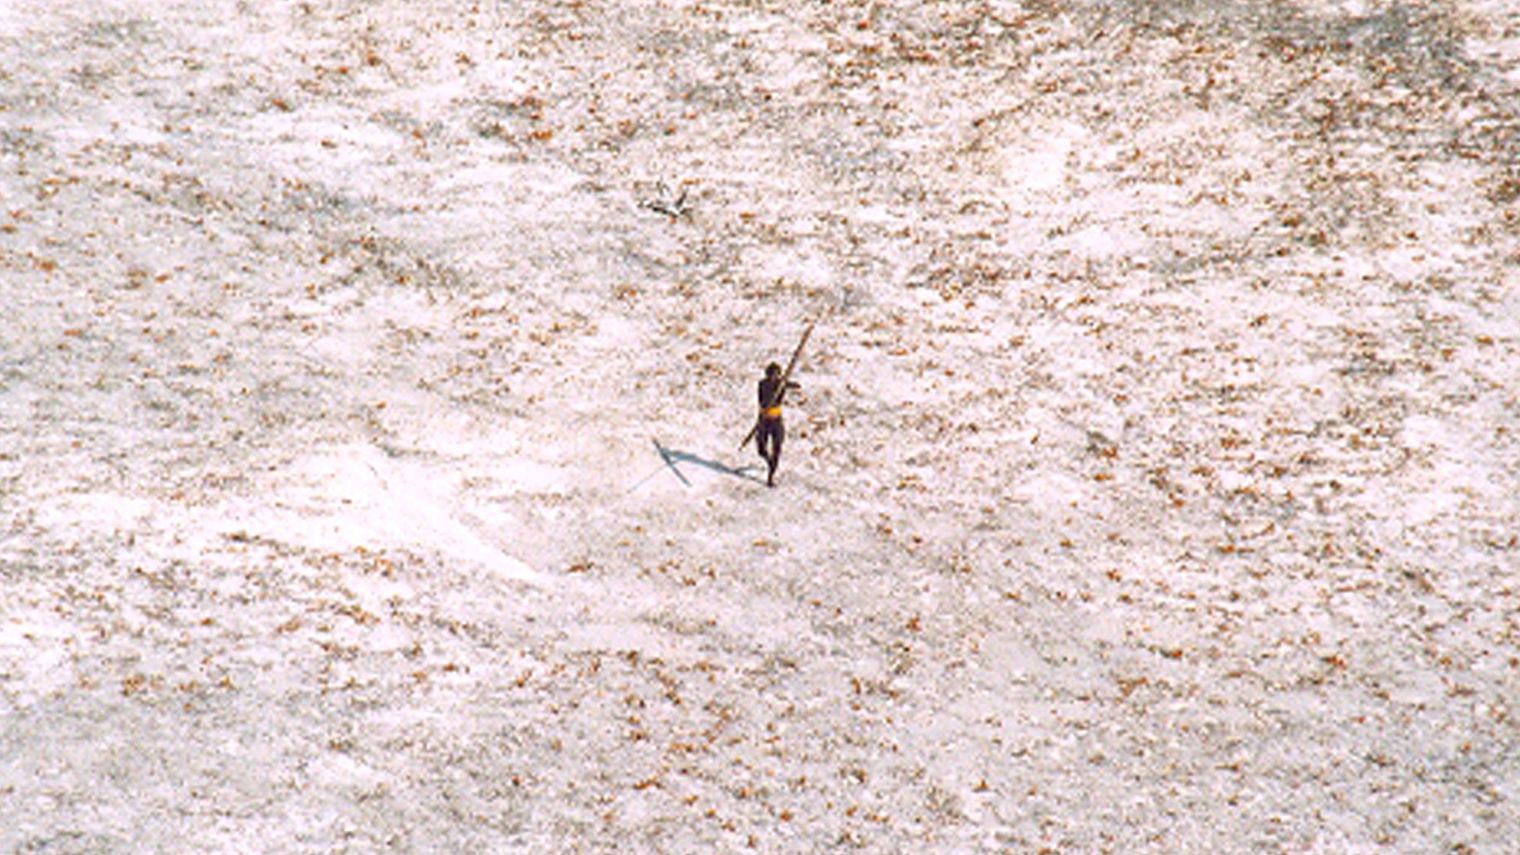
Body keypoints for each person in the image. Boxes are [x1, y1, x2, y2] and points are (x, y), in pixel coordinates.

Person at [756, 362, 800, 487]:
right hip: (764, 420)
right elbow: (764, 400)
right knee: (761, 449)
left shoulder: (781, 384)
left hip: (776, 420)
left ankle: (771, 476)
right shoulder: (763, 384)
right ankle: (769, 462)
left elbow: (796, 386)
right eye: (771, 374)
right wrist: (780, 385)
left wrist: (785, 383)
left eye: (776, 375)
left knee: (777, 447)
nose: (773, 377)